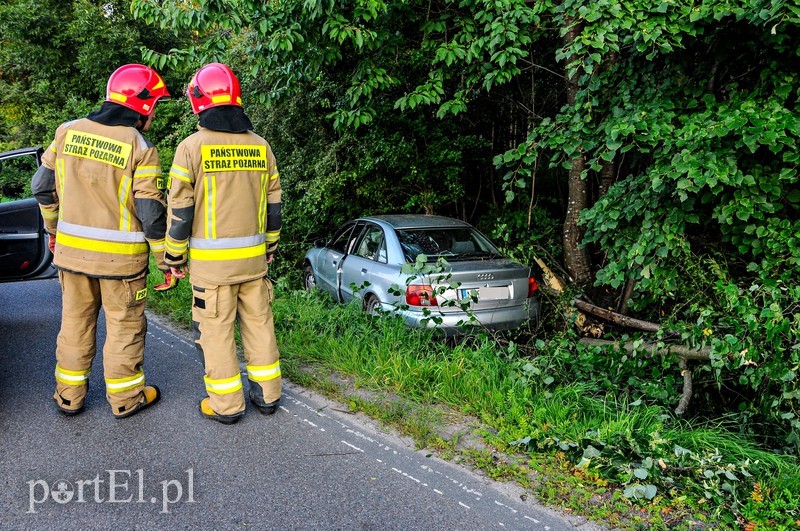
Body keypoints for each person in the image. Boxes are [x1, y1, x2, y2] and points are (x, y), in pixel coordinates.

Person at [31, 64, 170, 418]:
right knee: (125, 328)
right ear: (143, 107)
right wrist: (164, 259)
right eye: (154, 105)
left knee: (75, 323)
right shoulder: (140, 146)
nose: (154, 112)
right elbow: (150, 211)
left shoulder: (66, 132)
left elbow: (42, 187)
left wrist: (53, 231)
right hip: (121, 262)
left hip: (72, 255)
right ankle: (125, 400)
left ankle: (68, 397)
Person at [165, 63, 282, 425]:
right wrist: (270, 247)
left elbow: (180, 210)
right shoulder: (261, 146)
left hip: (212, 269)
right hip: (254, 263)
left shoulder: (191, 148)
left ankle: (226, 406)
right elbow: (274, 205)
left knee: (215, 332)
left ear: (199, 101)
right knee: (259, 323)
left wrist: (173, 255)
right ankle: (268, 394)